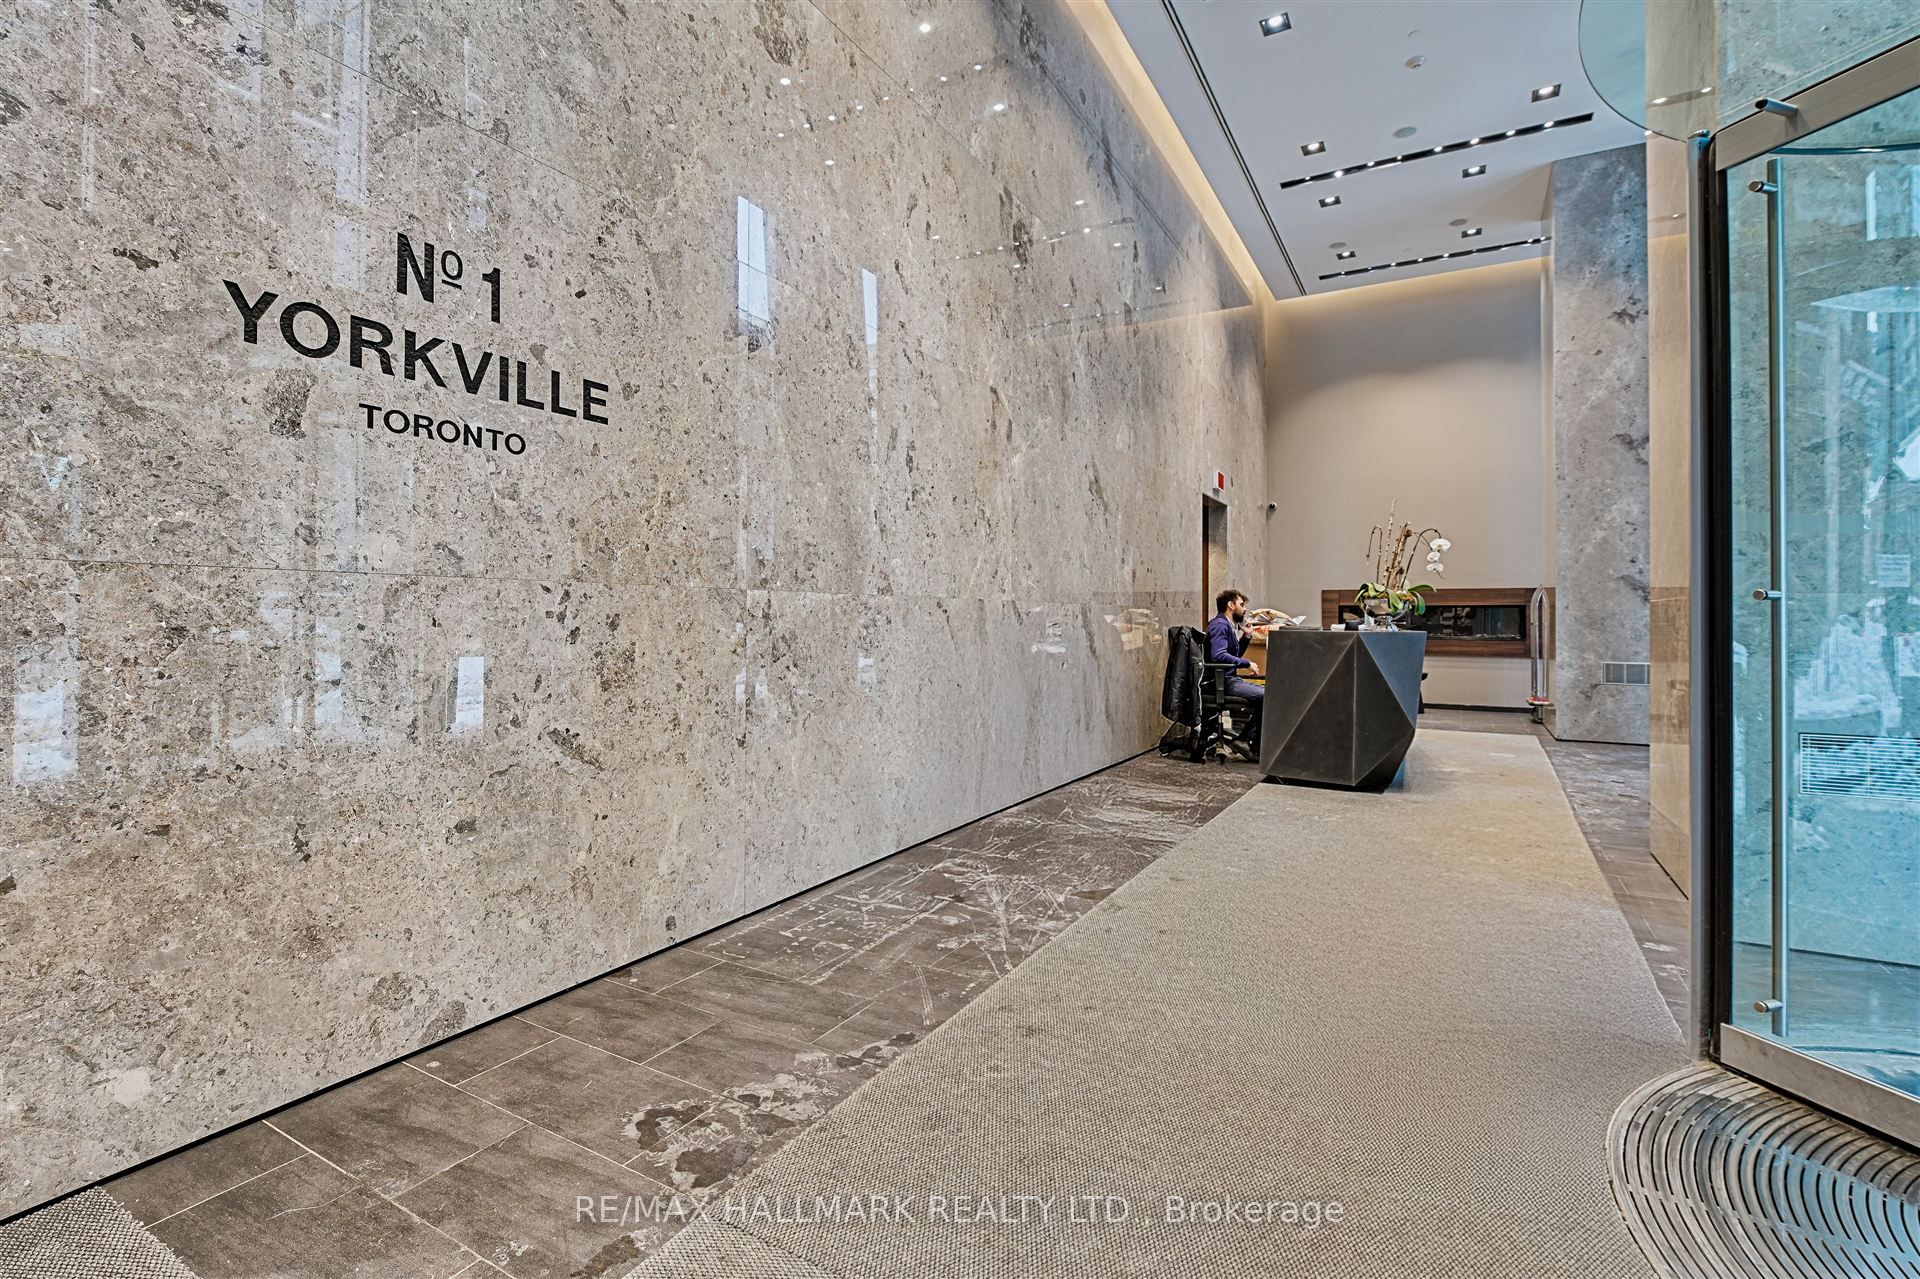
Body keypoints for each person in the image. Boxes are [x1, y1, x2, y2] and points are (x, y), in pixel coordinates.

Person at [1207, 589, 1267, 752]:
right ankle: (1246, 741)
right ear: (1231, 605)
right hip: (1220, 682)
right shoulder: (1220, 625)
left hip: (1228, 679)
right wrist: (1246, 663)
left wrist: (1246, 636)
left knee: (1268, 694)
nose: (1245, 609)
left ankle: (1245, 740)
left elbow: (1232, 657)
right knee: (1267, 696)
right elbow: (1219, 656)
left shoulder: (1226, 624)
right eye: (1241, 604)